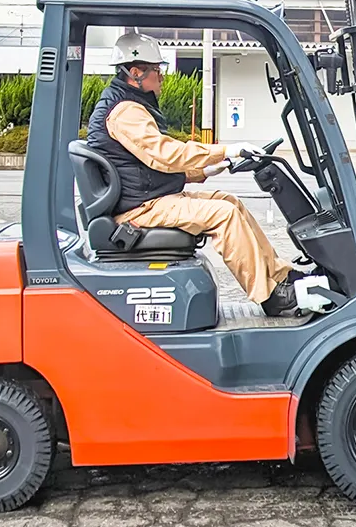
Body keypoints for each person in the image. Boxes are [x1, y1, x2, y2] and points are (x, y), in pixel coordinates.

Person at [86, 32, 303, 317]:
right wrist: (226, 149)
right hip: (139, 208)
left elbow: (145, 167)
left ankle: (280, 275)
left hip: (147, 198)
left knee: (229, 202)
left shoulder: (131, 104)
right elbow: (165, 154)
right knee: (223, 215)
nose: (162, 77)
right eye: (156, 70)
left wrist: (206, 170)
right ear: (135, 73)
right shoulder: (125, 111)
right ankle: (270, 296)